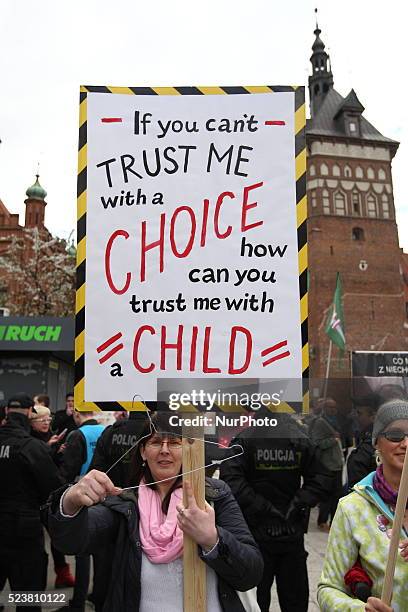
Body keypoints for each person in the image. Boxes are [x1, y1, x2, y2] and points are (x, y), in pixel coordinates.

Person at [48, 412, 263, 612]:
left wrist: (213, 540)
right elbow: (71, 542)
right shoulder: (125, 505)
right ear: (143, 451)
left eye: (175, 442)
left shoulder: (215, 495)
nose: (165, 450)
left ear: (189, 449)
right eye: (156, 442)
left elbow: (251, 573)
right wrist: (70, 502)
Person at [220, 411, 332, 612]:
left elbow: (232, 479)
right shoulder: (298, 438)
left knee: (259, 601)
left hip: (268, 531)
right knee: (290, 600)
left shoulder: (247, 438)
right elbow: (323, 477)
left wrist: (280, 507)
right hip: (277, 530)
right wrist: (295, 505)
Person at [318, 399, 408, 611]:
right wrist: (360, 610)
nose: (406, 443)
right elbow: (328, 589)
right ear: (376, 442)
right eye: (396, 435)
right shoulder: (353, 508)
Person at [0, 393, 63, 612]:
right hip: (24, 531)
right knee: (28, 599)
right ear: (29, 413)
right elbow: (53, 487)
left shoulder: (32, 446)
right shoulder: (32, 447)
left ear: (7, 412)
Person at [58, 410, 105, 611]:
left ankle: (78, 602)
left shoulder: (77, 435)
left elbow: (67, 470)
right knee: (103, 552)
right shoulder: (106, 430)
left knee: (82, 552)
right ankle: (98, 596)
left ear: (77, 414)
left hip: (81, 495)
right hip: (104, 493)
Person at [29, 405, 75, 589]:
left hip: (50, 494)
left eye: (49, 419)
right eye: (42, 420)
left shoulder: (52, 436)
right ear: (32, 422)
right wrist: (48, 449)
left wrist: (58, 450)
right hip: (32, 497)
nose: (47, 423)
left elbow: (54, 464)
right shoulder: (28, 440)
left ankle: (62, 573)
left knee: (56, 536)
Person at [309, 397, 345, 531]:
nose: (333, 410)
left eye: (335, 407)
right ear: (324, 408)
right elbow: (317, 442)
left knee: (337, 495)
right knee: (326, 496)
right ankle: (322, 521)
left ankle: (334, 521)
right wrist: (333, 439)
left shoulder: (337, 422)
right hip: (327, 465)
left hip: (337, 464)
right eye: (330, 407)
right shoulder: (320, 423)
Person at [347, 396, 377, 489]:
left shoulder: (373, 442)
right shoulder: (364, 435)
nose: (356, 417)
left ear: (373, 417)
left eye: (359, 414)